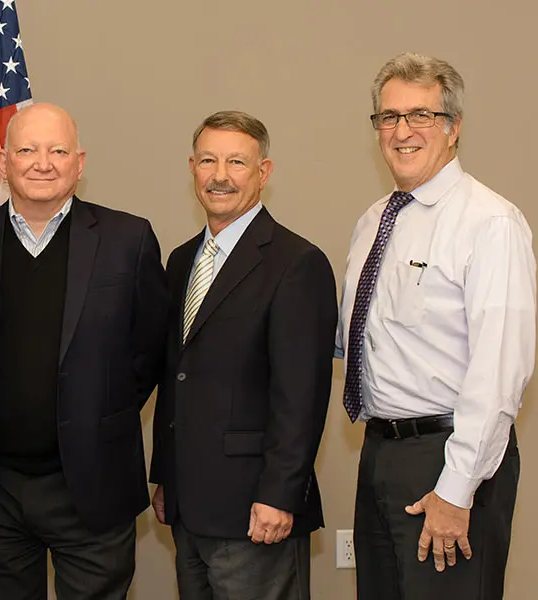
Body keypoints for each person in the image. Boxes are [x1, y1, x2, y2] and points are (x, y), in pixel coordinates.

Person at [338, 53, 535, 600]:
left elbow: (500, 372)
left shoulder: (489, 223)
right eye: (389, 117)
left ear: (453, 129)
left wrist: (456, 490)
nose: (403, 132)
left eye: (421, 116)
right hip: (378, 453)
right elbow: (359, 339)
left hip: (449, 457)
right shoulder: (374, 221)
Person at [0, 103, 167, 599]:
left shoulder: (128, 239)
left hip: (93, 483)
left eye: (58, 150)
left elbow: (150, 351)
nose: (42, 162)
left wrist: (97, 415)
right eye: (27, 150)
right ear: (2, 162)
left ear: (80, 162)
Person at [150, 111, 338, 600]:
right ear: (192, 167)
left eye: (237, 162)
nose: (220, 175)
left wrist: (279, 494)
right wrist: (165, 475)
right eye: (208, 160)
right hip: (189, 506)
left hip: (256, 509)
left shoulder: (296, 263)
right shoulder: (180, 260)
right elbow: (177, 376)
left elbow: (301, 396)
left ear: (264, 172)